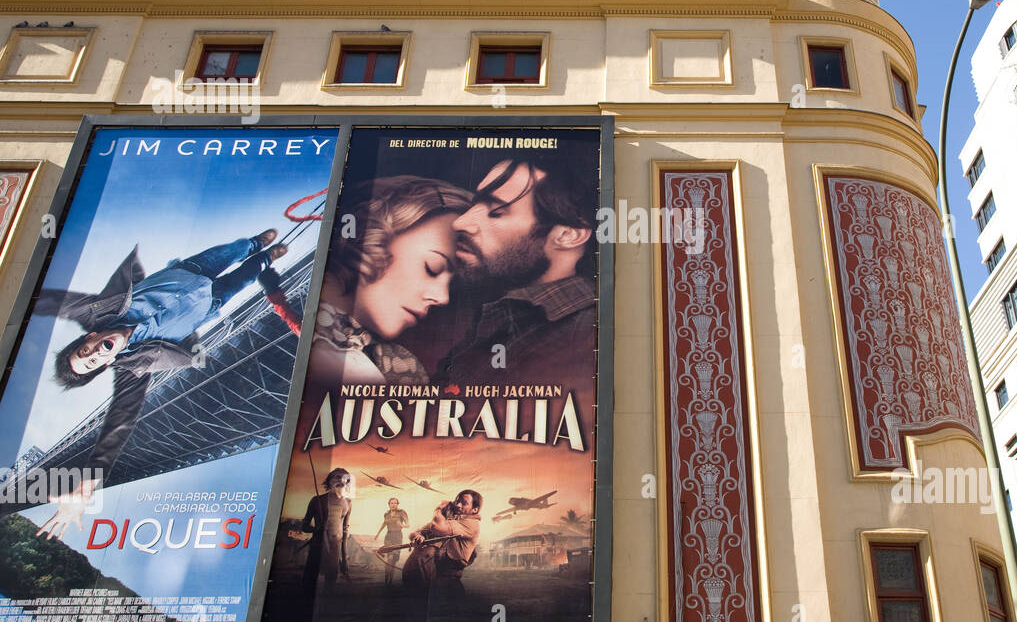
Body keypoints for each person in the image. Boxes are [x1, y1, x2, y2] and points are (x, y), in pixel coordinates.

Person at [32, 230, 287, 539]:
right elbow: (118, 426)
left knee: (235, 250)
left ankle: (255, 244)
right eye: (91, 362)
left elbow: (51, 301)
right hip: (207, 304)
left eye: (85, 351)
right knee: (244, 278)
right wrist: (86, 485)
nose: (94, 354)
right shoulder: (133, 369)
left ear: (89, 337)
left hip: (191, 271)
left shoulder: (98, 311)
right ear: (104, 366)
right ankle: (262, 259)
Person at [437, 153, 597, 386]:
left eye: (496, 212)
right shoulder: (506, 315)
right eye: (475, 205)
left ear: (568, 235)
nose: (460, 223)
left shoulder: (584, 335)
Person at [312, 176, 470, 386]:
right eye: (433, 267)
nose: (442, 297)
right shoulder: (326, 359)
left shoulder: (392, 364)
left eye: (451, 283)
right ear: (371, 233)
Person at [402, 489, 482, 612]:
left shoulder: (471, 524)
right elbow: (416, 532)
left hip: (450, 580)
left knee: (450, 620)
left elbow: (436, 527)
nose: (458, 505)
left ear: (474, 509)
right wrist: (418, 536)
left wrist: (439, 508)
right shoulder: (452, 522)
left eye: (464, 503)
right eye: (457, 501)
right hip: (436, 577)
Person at [300, 468, 353, 591]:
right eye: (337, 477)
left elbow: (345, 531)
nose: (340, 480)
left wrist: (344, 558)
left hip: (335, 548)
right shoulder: (317, 500)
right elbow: (304, 526)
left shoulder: (348, 503)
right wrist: (315, 529)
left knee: (331, 584)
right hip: (317, 545)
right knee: (309, 581)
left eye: (344, 478)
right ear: (329, 481)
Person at [374, 496, 409, 585]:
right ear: (389, 504)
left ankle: (390, 580)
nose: (393, 505)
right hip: (388, 536)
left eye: (395, 503)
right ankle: (387, 579)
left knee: (393, 559)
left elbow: (408, 524)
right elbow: (384, 523)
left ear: (397, 504)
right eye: (391, 503)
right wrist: (378, 533)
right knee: (389, 557)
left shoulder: (402, 512)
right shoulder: (386, 513)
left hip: (397, 536)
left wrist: (402, 525)